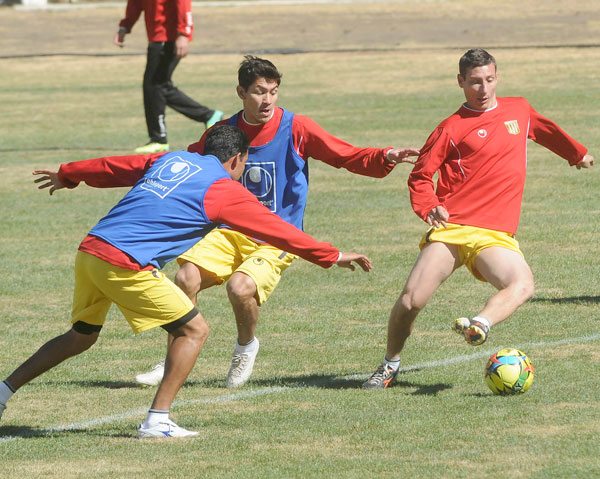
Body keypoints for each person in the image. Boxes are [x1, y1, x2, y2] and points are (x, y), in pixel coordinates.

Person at [0, 126, 372, 438]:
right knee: (194, 330)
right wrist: (332, 254)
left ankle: (3, 390)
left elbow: (115, 166)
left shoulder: (171, 159)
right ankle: (157, 420)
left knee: (81, 335)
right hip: (124, 263)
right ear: (237, 159)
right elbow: (277, 230)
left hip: (91, 250)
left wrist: (69, 174)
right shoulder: (223, 189)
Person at [134, 55, 420, 388]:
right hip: (229, 232)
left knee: (240, 288)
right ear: (241, 92)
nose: (267, 100)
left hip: (277, 237)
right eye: (259, 91)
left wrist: (384, 156)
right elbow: (191, 166)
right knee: (185, 278)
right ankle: (174, 359)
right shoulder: (224, 132)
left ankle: (245, 347)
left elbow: (344, 155)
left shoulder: (297, 128)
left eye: (273, 91)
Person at [362, 48, 594, 389]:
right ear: (460, 82)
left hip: (494, 235)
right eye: (474, 82)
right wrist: (429, 207)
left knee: (523, 284)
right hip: (452, 229)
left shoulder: (519, 110)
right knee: (412, 300)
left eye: (489, 80)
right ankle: (389, 364)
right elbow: (421, 176)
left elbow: (547, 131)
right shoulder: (450, 128)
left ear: (497, 77)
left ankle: (480, 324)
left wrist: (576, 153)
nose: (483, 89)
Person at [114, 0, 224, 154]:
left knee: (154, 86)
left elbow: (183, 4)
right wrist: (125, 25)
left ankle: (159, 139)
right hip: (156, 38)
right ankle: (209, 116)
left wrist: (183, 34)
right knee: (159, 86)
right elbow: (136, 3)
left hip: (169, 38)